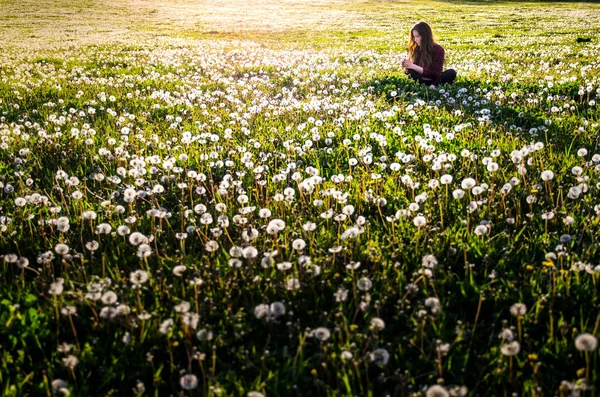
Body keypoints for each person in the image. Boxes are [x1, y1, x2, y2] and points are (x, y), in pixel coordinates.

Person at [401, 22, 456, 87]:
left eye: (417, 36)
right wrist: (407, 65)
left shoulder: (438, 49)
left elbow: (435, 73)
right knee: (411, 72)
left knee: (451, 72)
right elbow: (412, 71)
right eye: (414, 37)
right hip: (420, 79)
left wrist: (413, 66)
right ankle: (426, 86)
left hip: (435, 80)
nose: (415, 40)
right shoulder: (416, 48)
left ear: (425, 36)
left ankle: (433, 86)